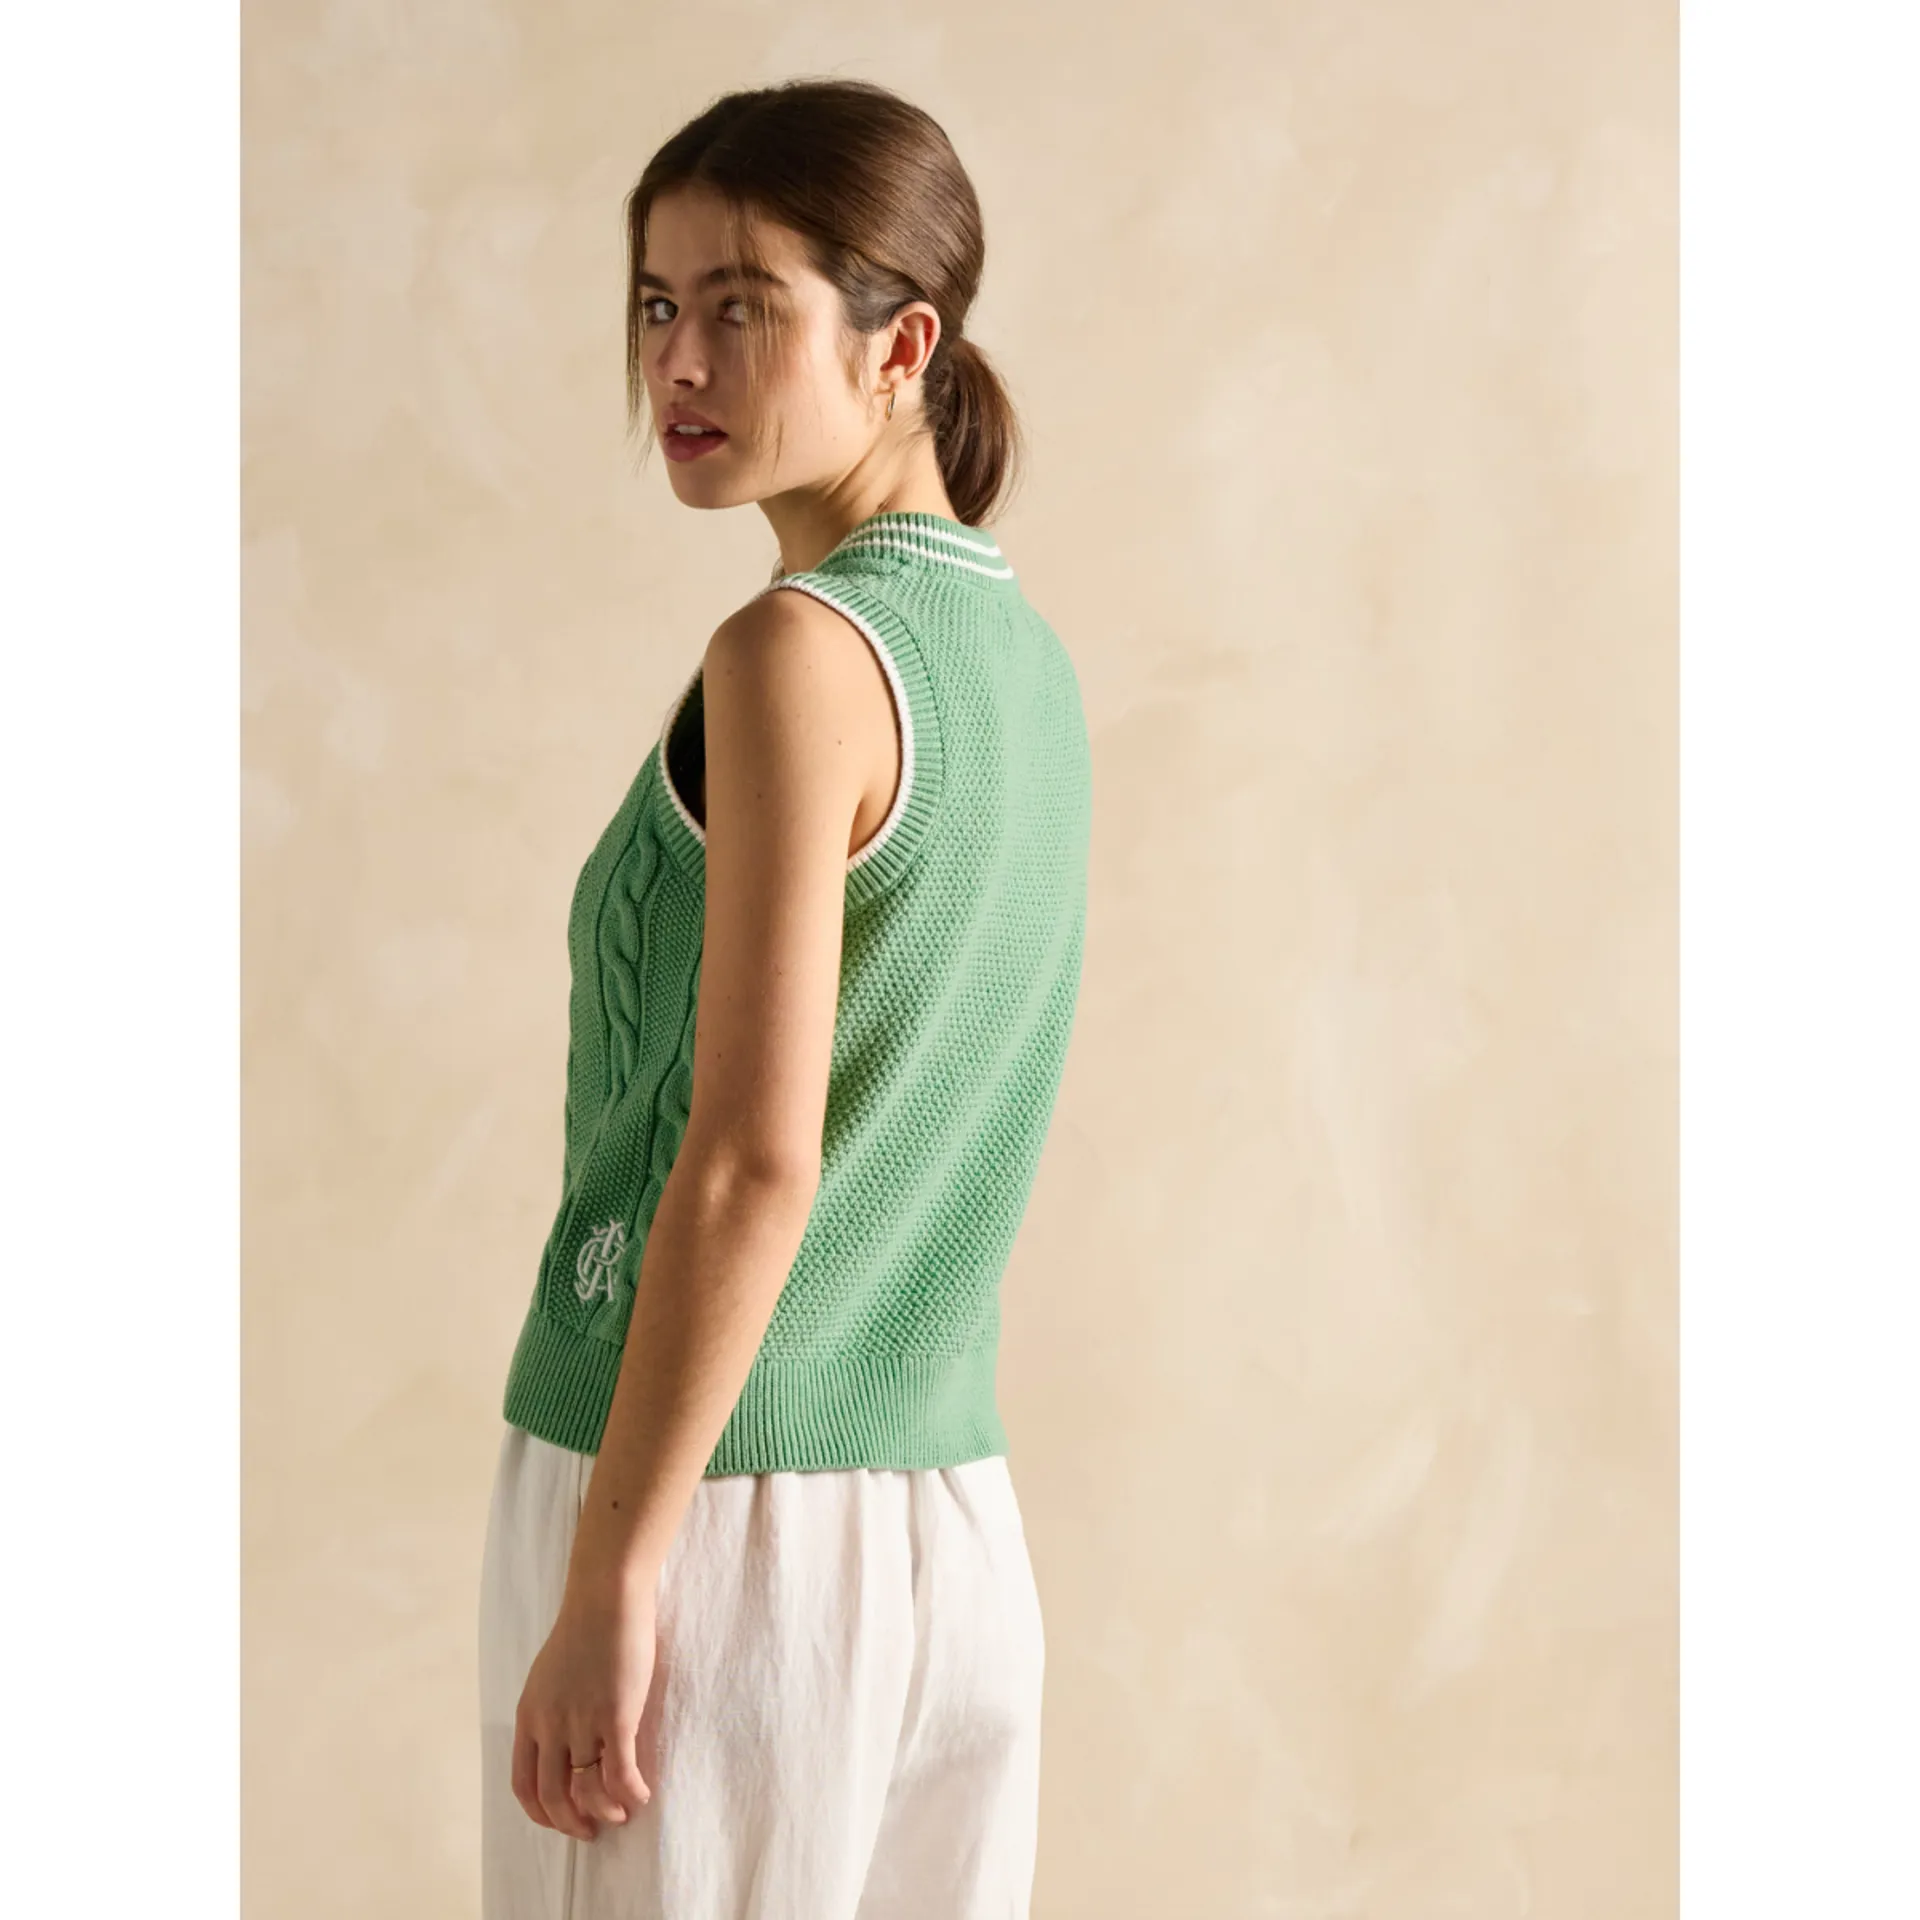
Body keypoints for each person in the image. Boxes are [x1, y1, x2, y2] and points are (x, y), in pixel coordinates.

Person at [477, 76, 1092, 1920]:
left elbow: (755, 1160)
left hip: (710, 1514)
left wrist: (617, 1573)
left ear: (903, 346)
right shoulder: (1026, 668)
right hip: (947, 1528)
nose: (679, 360)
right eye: (656, 304)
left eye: (742, 306)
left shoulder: (794, 655)